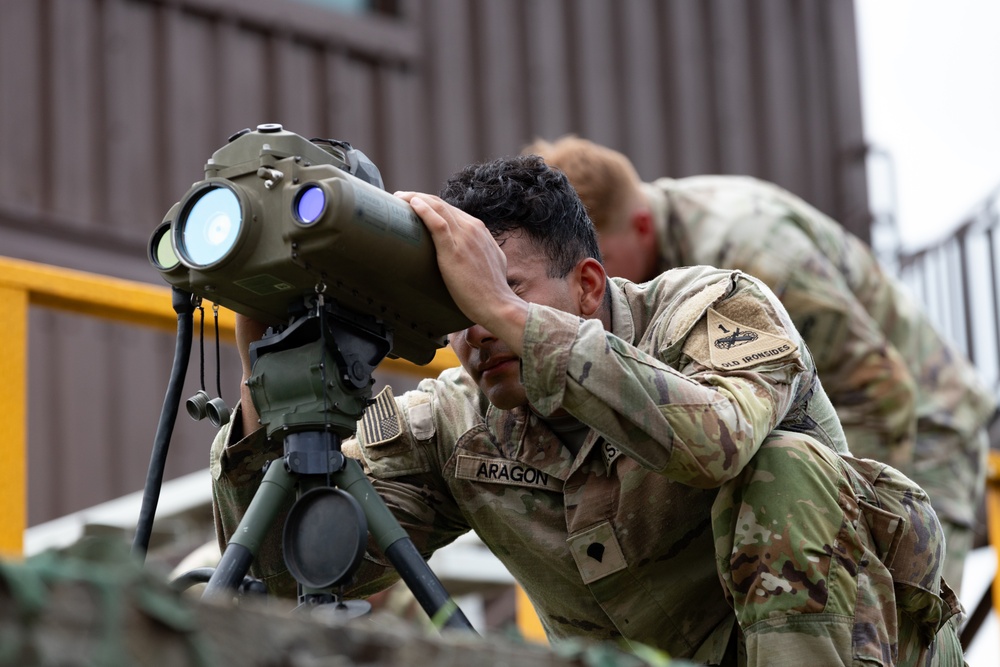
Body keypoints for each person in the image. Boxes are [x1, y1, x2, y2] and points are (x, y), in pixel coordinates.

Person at [211, 154, 962, 665]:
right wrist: (262, 381)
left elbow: (716, 442)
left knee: (787, 470)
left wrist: (507, 313)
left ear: (590, 286)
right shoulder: (456, 422)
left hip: (863, 646)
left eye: (504, 287)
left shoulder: (711, 311)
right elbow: (293, 569)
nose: (476, 328)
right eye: (460, 302)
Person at [524, 135, 997, 592]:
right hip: (806, 417)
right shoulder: (653, 238)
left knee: (894, 620)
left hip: (921, 425)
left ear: (641, 226)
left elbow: (879, 388)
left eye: (596, 261)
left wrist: (855, 532)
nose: (591, 288)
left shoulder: (751, 252)